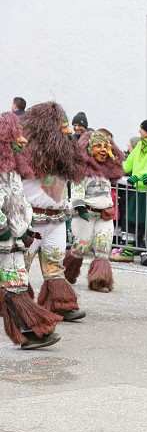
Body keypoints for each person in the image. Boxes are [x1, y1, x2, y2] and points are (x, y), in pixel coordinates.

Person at [19, 101, 86, 322]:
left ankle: (60, 304)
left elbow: (71, 182)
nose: (68, 131)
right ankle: (16, 307)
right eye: (63, 126)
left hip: (56, 220)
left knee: (55, 265)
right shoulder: (25, 156)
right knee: (21, 267)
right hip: (30, 221)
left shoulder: (65, 157)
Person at [0, 111, 61, 349]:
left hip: (12, 240)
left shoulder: (13, 170)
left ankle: (28, 333)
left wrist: (25, 227)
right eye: (18, 136)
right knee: (14, 285)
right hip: (3, 238)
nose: (24, 141)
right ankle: (30, 331)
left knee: (16, 284)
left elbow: (20, 202)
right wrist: (3, 228)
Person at [67, 130, 124, 291]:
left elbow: (120, 166)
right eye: (98, 146)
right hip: (85, 214)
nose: (103, 150)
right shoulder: (81, 171)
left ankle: (100, 281)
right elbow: (77, 191)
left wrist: (113, 155)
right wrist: (80, 207)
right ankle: (67, 272)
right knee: (81, 248)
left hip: (104, 215)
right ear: (89, 149)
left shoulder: (108, 169)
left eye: (106, 146)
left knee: (103, 249)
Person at [116, 119, 147, 261]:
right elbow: (128, 164)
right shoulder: (140, 144)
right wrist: (115, 171)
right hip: (136, 188)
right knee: (130, 220)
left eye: (142, 129)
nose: (139, 131)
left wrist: (138, 177)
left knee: (146, 223)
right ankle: (128, 251)